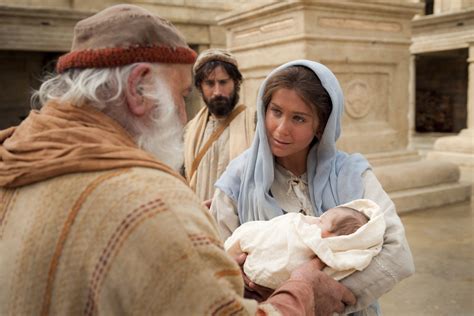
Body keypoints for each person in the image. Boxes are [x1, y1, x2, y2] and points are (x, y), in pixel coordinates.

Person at [0, 5, 357, 316]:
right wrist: (304, 292)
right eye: (182, 94)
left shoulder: (16, 155)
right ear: (139, 88)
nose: (185, 117)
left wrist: (195, 254)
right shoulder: (151, 202)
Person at [210, 60, 415, 315]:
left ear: (320, 126)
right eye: (276, 111)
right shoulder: (237, 180)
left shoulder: (351, 175)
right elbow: (217, 265)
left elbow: (397, 254)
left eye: (298, 118)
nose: (281, 129)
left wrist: (321, 294)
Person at [225, 199, 385, 290]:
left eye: (321, 221)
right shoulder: (237, 175)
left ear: (331, 235)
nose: (315, 221)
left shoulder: (323, 248)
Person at [184, 48, 255, 202]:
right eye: (210, 83)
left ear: (236, 83)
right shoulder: (190, 131)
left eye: (223, 82)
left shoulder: (254, 124)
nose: (217, 91)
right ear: (200, 87)